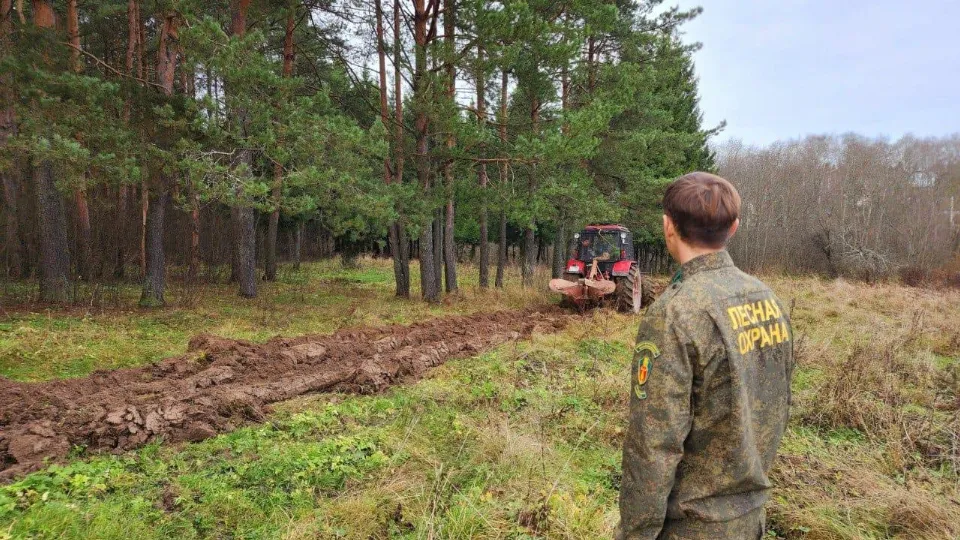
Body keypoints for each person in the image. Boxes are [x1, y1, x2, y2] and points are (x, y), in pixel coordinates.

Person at [617, 172, 794, 540]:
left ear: (668, 225)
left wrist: (635, 535)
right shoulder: (766, 298)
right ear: (734, 227)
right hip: (750, 519)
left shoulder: (675, 313)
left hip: (692, 526)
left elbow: (653, 445)